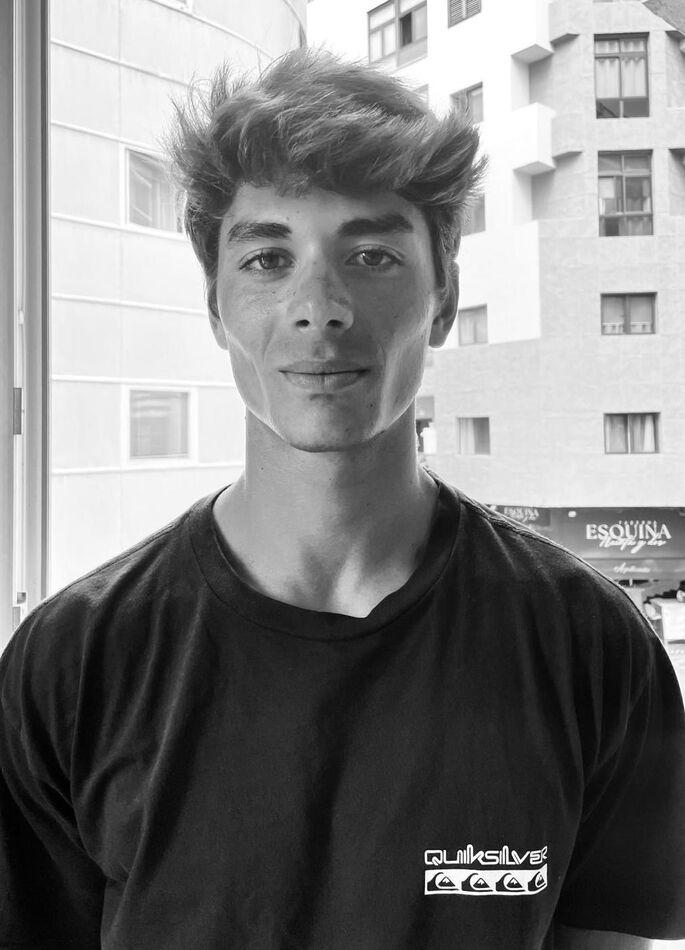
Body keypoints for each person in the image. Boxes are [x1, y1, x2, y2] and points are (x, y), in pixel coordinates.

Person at [1, 49, 684, 950]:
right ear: (214, 307)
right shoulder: (74, 660)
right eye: (267, 258)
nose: (318, 306)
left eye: (371, 256)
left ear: (444, 298)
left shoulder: (590, 646)